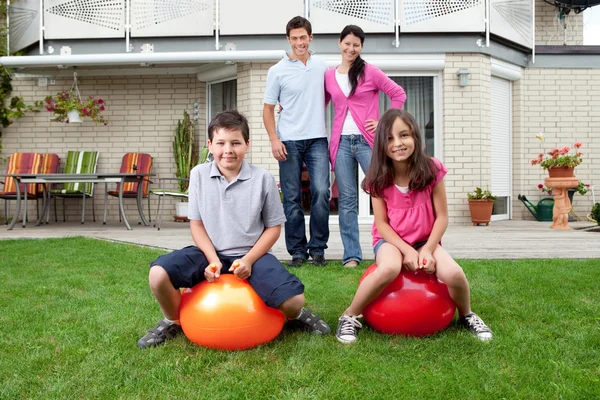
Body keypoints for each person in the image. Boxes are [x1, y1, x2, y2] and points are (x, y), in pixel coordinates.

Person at [137, 110, 331, 348]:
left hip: (253, 256)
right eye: (220, 143)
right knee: (158, 274)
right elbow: (196, 224)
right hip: (208, 254)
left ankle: (297, 317)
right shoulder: (198, 175)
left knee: (295, 301)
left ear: (247, 145)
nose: (228, 150)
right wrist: (212, 260)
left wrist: (248, 260)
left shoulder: (263, 179)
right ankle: (173, 321)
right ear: (210, 145)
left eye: (235, 143)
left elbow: (273, 228)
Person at [335, 109, 492, 344]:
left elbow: (442, 217)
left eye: (404, 135)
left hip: (425, 240)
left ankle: (467, 314)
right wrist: (407, 251)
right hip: (390, 241)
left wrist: (427, 249)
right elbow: (382, 224)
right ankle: (349, 315)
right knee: (389, 268)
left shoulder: (432, 169)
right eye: (389, 138)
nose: (398, 143)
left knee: (455, 273)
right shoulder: (377, 178)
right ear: (381, 145)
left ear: (415, 137)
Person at [324, 25, 406, 269]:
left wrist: (384, 122)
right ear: (340, 43)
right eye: (347, 43)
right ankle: (351, 255)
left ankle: (392, 247)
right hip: (340, 144)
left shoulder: (370, 72)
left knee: (383, 192)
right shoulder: (329, 75)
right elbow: (317, 102)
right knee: (347, 199)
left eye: (356, 45)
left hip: (367, 142)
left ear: (361, 47)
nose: (351, 48)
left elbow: (398, 94)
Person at [263, 16, 330, 267]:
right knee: (291, 198)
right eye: (295, 38)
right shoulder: (277, 71)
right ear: (288, 40)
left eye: (303, 37)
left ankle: (318, 248)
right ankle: (298, 252)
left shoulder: (322, 65)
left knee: (321, 191)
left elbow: (331, 94)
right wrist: (274, 139)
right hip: (288, 141)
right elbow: (268, 109)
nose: (299, 42)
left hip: (317, 139)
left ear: (310, 38)